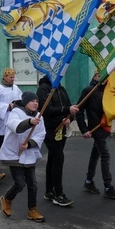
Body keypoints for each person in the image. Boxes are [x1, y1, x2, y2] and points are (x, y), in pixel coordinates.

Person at [0, 91, 47, 222]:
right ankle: (7, 198)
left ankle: (32, 210)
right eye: (32, 101)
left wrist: (30, 144)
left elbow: (42, 133)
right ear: (25, 102)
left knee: (33, 184)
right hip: (15, 153)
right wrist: (30, 122)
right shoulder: (16, 112)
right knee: (20, 183)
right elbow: (15, 127)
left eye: (37, 101)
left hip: (29, 153)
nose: (35, 103)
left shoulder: (39, 116)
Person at [76, 71, 115, 200]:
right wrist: (84, 129)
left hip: (104, 127)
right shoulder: (89, 91)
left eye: (106, 76)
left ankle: (89, 181)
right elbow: (78, 110)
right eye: (100, 76)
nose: (103, 78)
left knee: (95, 154)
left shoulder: (108, 91)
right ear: (95, 76)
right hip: (95, 128)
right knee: (105, 155)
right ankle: (108, 187)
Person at [36, 75, 79, 207]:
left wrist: (69, 118)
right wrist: (66, 110)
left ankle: (49, 191)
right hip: (50, 129)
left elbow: (68, 107)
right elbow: (46, 110)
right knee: (58, 158)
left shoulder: (61, 88)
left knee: (53, 159)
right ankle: (58, 194)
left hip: (62, 128)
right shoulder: (44, 89)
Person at [0, 67, 22, 179]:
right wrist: (7, 106)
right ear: (5, 77)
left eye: (13, 77)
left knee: (13, 140)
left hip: (13, 118)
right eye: (10, 77)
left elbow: (21, 99)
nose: (13, 79)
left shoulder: (15, 88)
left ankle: (15, 163)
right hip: (3, 119)